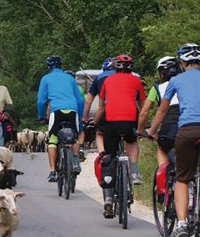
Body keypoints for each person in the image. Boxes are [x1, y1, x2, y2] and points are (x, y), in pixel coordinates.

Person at [148, 43, 200, 237]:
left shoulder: (176, 80)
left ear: (182, 62)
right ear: (199, 62)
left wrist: (151, 131)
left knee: (182, 175)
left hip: (188, 131)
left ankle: (181, 224)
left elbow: (162, 111)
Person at [92, 54, 145, 198]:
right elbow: (143, 108)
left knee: (109, 155)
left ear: (115, 67)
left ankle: (108, 198)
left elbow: (101, 108)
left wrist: (94, 123)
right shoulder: (136, 81)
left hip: (111, 121)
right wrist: (143, 127)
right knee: (132, 141)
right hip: (130, 120)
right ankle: (134, 173)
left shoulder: (107, 81)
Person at [36, 55, 84, 183]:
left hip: (56, 111)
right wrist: (80, 116)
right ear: (61, 66)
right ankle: (75, 163)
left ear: (48, 67)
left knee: (52, 139)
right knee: (74, 136)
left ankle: (52, 171)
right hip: (73, 110)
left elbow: (41, 100)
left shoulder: (46, 79)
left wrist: (41, 116)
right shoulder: (69, 78)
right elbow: (79, 99)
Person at [137, 56, 181, 169]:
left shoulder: (157, 87)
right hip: (191, 124)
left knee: (162, 149)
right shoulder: (187, 83)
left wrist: (141, 130)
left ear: (161, 73)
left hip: (170, 124)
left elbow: (144, 112)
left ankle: (163, 182)